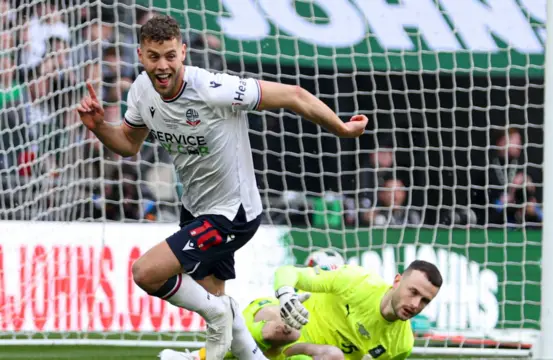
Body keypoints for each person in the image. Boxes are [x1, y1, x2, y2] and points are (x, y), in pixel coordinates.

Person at [76, 14, 368, 360]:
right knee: (213, 297)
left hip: (233, 211)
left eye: (170, 55)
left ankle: (216, 318)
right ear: (140, 55)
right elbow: (128, 144)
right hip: (197, 207)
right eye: (154, 56)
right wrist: (98, 126)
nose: (163, 65)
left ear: (183, 52)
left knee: (147, 273)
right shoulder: (140, 91)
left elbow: (294, 94)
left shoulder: (213, 88)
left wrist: (341, 128)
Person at [161, 260, 442, 360]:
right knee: (287, 329)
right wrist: (286, 297)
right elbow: (288, 272)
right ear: (397, 281)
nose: (415, 305)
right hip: (271, 322)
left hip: (305, 356)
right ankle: (199, 357)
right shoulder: (357, 281)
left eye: (425, 301)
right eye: (413, 292)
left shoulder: (402, 344)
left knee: (332, 355)